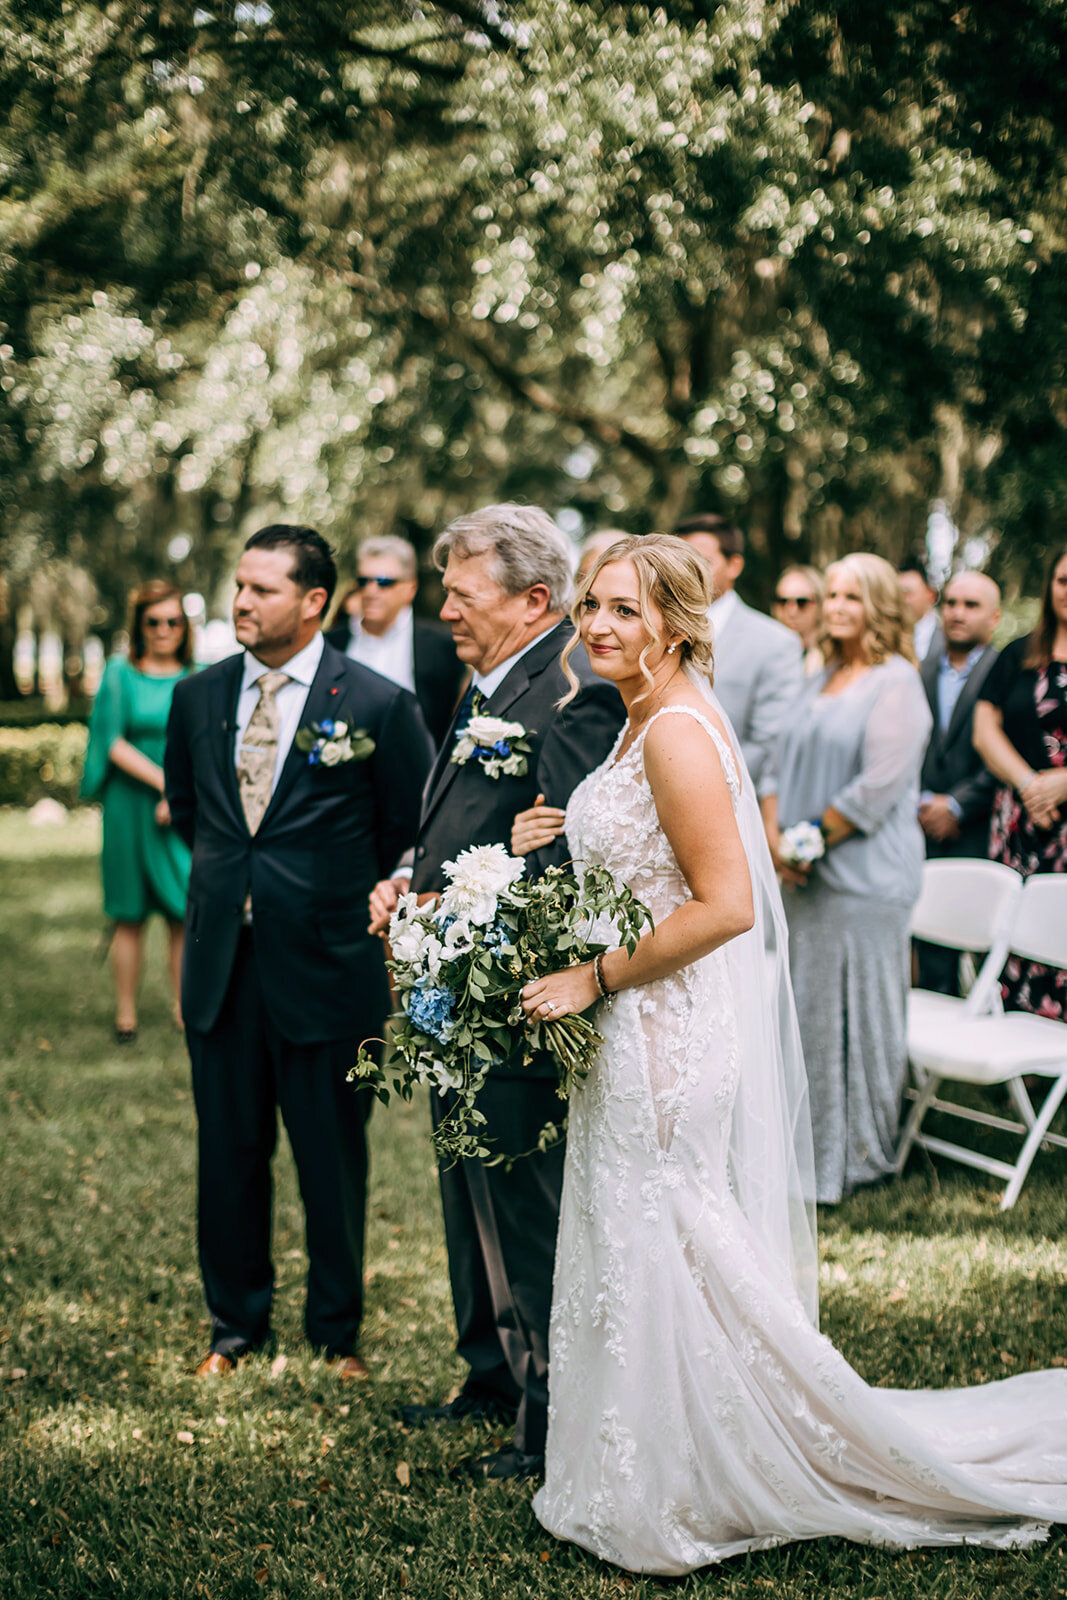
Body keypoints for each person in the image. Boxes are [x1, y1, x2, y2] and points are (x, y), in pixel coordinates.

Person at [510, 533, 1067, 1576]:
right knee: (645, 1243)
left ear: (677, 622)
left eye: (624, 608)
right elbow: (650, 871)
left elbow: (722, 906)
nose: (596, 625)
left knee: (662, 1238)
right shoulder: (639, 722)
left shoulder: (674, 730)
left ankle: (680, 1478)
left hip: (664, 1032)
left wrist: (590, 979)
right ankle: (640, 1462)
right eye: (590, 604)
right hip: (640, 1028)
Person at [368, 504, 625, 1480]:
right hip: (451, 982)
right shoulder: (490, 679)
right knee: (462, 1180)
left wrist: (478, 906)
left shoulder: (571, 694)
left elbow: (572, 855)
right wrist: (411, 876)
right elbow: (466, 815)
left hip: (514, 993)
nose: (443, 612)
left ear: (531, 598)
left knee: (519, 1197)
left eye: (460, 595)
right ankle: (486, 1367)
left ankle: (547, 1409)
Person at [164, 525, 432, 1379]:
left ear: (315, 602)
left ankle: (335, 1331)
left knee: (330, 1159)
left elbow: (406, 828)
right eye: (238, 586)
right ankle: (233, 1328)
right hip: (222, 967)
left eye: (263, 590)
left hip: (327, 968)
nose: (242, 602)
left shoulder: (379, 705)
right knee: (228, 1155)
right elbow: (192, 809)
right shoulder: (197, 697)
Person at [762, 553, 932, 1203]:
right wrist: (776, 840)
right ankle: (807, 1150)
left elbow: (876, 788)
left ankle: (861, 1151)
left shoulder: (895, 684)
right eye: (829, 594)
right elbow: (773, 766)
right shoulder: (816, 679)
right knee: (807, 1018)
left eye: (850, 597)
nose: (834, 607)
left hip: (865, 881)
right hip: (801, 876)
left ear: (879, 607)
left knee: (862, 1016)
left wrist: (809, 842)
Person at [80, 581, 193, 1041]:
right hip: (130, 806)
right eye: (154, 621)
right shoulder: (119, 673)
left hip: (180, 809)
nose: (164, 629)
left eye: (173, 621)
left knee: (182, 911)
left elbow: (204, 744)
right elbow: (112, 742)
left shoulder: (198, 673)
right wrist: (165, 783)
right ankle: (125, 1014)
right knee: (128, 912)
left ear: (185, 626)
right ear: (139, 626)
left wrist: (182, 794)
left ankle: (186, 1009)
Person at [974, 546, 1067, 1019]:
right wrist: (1032, 784)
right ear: (1049, 586)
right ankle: (1019, 1037)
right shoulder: (1019, 653)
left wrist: (1063, 783)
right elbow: (984, 729)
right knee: (1018, 921)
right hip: (1020, 819)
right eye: (1063, 580)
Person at [915, 572, 1001, 994]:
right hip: (922, 828)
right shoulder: (920, 669)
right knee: (932, 961)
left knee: (992, 963)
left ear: (995, 617)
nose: (957, 613)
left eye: (970, 605)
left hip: (983, 832)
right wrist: (924, 801)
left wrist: (957, 804)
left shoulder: (1010, 673)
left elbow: (1009, 750)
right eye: (950, 603)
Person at [674, 512, 802, 791]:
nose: (689, 572)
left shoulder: (776, 642)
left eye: (703, 562)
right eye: (682, 563)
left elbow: (769, 742)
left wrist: (693, 785)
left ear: (735, 565)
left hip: (725, 794)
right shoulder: (658, 630)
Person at [324, 535, 467, 749]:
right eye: (364, 581)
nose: (371, 591)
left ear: (410, 589)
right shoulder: (331, 643)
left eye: (384, 582)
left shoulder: (442, 646)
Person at [772, 562, 825, 675]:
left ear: (820, 605)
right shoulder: (768, 654)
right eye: (783, 602)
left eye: (802, 602)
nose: (791, 611)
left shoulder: (830, 659)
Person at [898, 558, 943, 663]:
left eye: (907, 593)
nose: (901, 600)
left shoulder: (945, 641)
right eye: (897, 593)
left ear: (931, 595)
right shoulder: (883, 636)